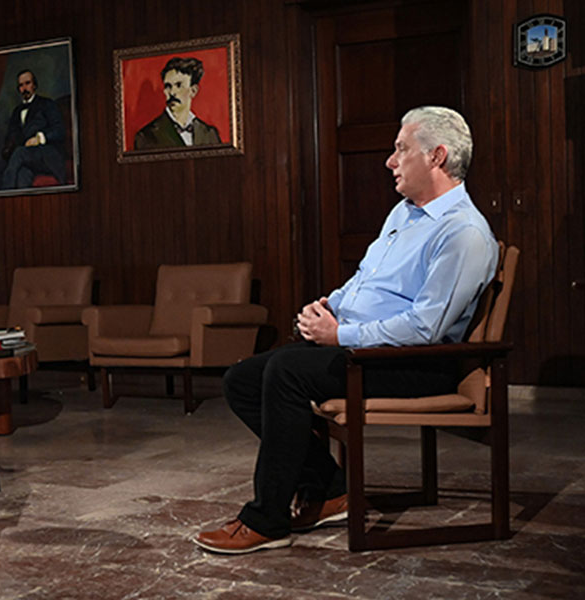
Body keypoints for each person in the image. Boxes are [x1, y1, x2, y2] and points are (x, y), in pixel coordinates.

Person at [194, 106, 498, 554]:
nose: (390, 161)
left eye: (401, 150)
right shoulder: (404, 214)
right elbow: (364, 280)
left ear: (437, 156)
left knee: (287, 371)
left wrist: (340, 336)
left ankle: (268, 518)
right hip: (365, 348)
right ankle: (329, 487)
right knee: (242, 379)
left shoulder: (463, 233)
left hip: (416, 364)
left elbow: (425, 327)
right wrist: (327, 309)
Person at [133, 57, 222, 150]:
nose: (172, 92)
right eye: (168, 86)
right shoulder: (146, 136)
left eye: (179, 85)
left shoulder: (210, 134)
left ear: (193, 91)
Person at [1, 69, 66, 189]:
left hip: (47, 156)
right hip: (27, 158)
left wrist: (39, 138)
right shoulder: (16, 111)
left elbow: (60, 130)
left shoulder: (47, 104)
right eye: (21, 85)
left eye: (27, 83)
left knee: (19, 154)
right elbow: (11, 134)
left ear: (34, 85)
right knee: (22, 175)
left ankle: (2, 193)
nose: (24, 88)